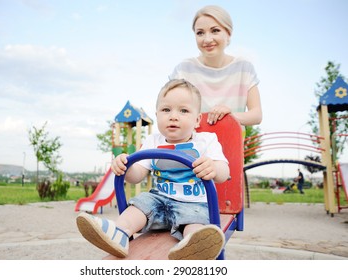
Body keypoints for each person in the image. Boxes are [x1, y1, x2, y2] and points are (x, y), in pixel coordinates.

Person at [76, 79, 230, 260]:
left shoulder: (206, 140)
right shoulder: (153, 142)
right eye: (166, 110)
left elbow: (224, 172)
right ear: (157, 115)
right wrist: (125, 167)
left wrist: (213, 167)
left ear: (197, 120)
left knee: (195, 225)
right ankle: (119, 233)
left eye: (183, 111)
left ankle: (192, 248)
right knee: (139, 206)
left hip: (193, 203)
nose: (173, 116)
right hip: (159, 200)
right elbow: (137, 175)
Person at [169, 5, 262, 127]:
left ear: (228, 33)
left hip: (231, 142)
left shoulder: (244, 68)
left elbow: (256, 115)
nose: (207, 39)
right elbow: (172, 111)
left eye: (215, 31)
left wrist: (229, 116)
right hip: (192, 144)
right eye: (200, 33)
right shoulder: (183, 70)